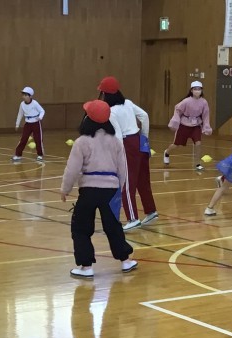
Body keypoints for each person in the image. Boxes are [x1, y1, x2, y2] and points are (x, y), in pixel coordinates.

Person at [60, 100, 138, 279]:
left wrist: (65, 189)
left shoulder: (81, 142)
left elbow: (72, 169)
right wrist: (119, 188)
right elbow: (122, 168)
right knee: (113, 226)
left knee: (81, 227)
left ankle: (86, 267)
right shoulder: (116, 142)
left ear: (87, 118)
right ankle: (126, 261)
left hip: (88, 190)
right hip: (110, 190)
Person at [98, 76, 157, 232]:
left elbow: (118, 136)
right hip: (139, 140)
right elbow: (144, 116)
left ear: (105, 94)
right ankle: (151, 211)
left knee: (127, 183)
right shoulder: (128, 103)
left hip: (127, 145)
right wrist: (144, 137)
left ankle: (133, 218)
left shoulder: (111, 112)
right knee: (143, 179)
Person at [163, 81, 212, 170]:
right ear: (191, 90)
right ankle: (167, 152)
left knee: (198, 143)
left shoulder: (204, 102)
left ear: (201, 90)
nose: (197, 91)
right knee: (176, 144)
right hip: (184, 125)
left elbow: (206, 115)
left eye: (199, 89)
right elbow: (177, 110)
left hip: (196, 125)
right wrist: (174, 122)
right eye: (195, 89)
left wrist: (206, 127)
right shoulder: (186, 101)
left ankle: (198, 164)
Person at [13, 86, 45, 162]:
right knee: (23, 139)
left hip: (36, 123)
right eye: (23, 95)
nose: (23, 97)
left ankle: (40, 155)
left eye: (25, 95)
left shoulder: (35, 103)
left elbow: (42, 111)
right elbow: (20, 114)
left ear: (30, 96)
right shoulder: (22, 104)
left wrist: (40, 117)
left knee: (38, 139)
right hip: (28, 124)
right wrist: (17, 124)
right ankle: (18, 155)